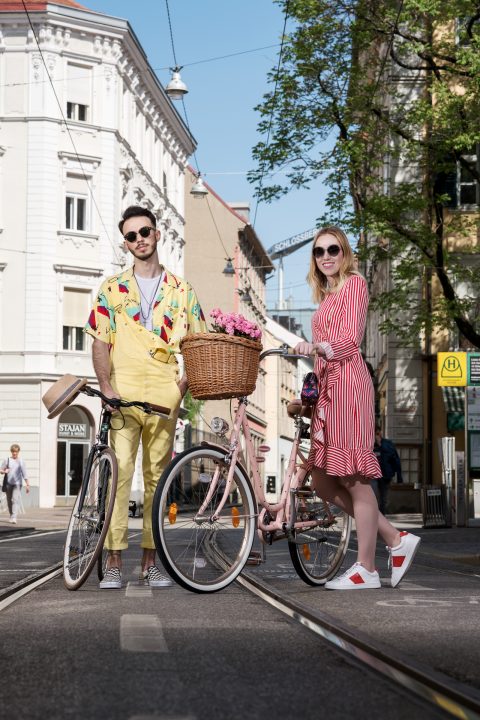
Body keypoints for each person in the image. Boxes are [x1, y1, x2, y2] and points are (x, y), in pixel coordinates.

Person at [85, 205, 206, 589]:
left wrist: (180, 387)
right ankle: (115, 561)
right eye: (132, 236)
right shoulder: (111, 288)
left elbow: (200, 344)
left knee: (158, 479)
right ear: (126, 243)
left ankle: (150, 564)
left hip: (163, 395)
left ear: (157, 235)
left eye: (145, 232)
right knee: (118, 476)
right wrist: (106, 388)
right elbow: (100, 342)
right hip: (122, 393)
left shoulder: (183, 291)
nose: (140, 240)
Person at [294, 226, 420, 590]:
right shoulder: (327, 295)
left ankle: (366, 568)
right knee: (321, 480)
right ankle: (396, 539)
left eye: (333, 249)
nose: (327, 256)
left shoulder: (355, 284)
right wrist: (309, 396)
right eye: (319, 252)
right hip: (328, 392)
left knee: (353, 479)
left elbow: (350, 338)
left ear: (345, 252)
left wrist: (317, 347)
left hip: (349, 387)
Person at [372, 428, 403, 515]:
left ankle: (382, 516)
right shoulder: (368, 444)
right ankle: (373, 514)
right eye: (375, 433)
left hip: (385, 474)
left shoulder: (387, 444)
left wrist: (399, 477)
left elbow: (395, 459)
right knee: (373, 495)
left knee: (383, 497)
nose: (377, 435)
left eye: (378, 433)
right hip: (372, 475)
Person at [0, 444, 30, 524]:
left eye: (16, 452)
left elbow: (24, 473)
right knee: (9, 501)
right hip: (8, 484)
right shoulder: (7, 460)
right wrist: (4, 471)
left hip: (17, 484)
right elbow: (1, 470)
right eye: (13, 452)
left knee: (15, 499)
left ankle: (14, 517)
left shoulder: (21, 461)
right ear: (11, 452)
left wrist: (27, 484)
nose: (14, 453)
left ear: (18, 452)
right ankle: (11, 515)